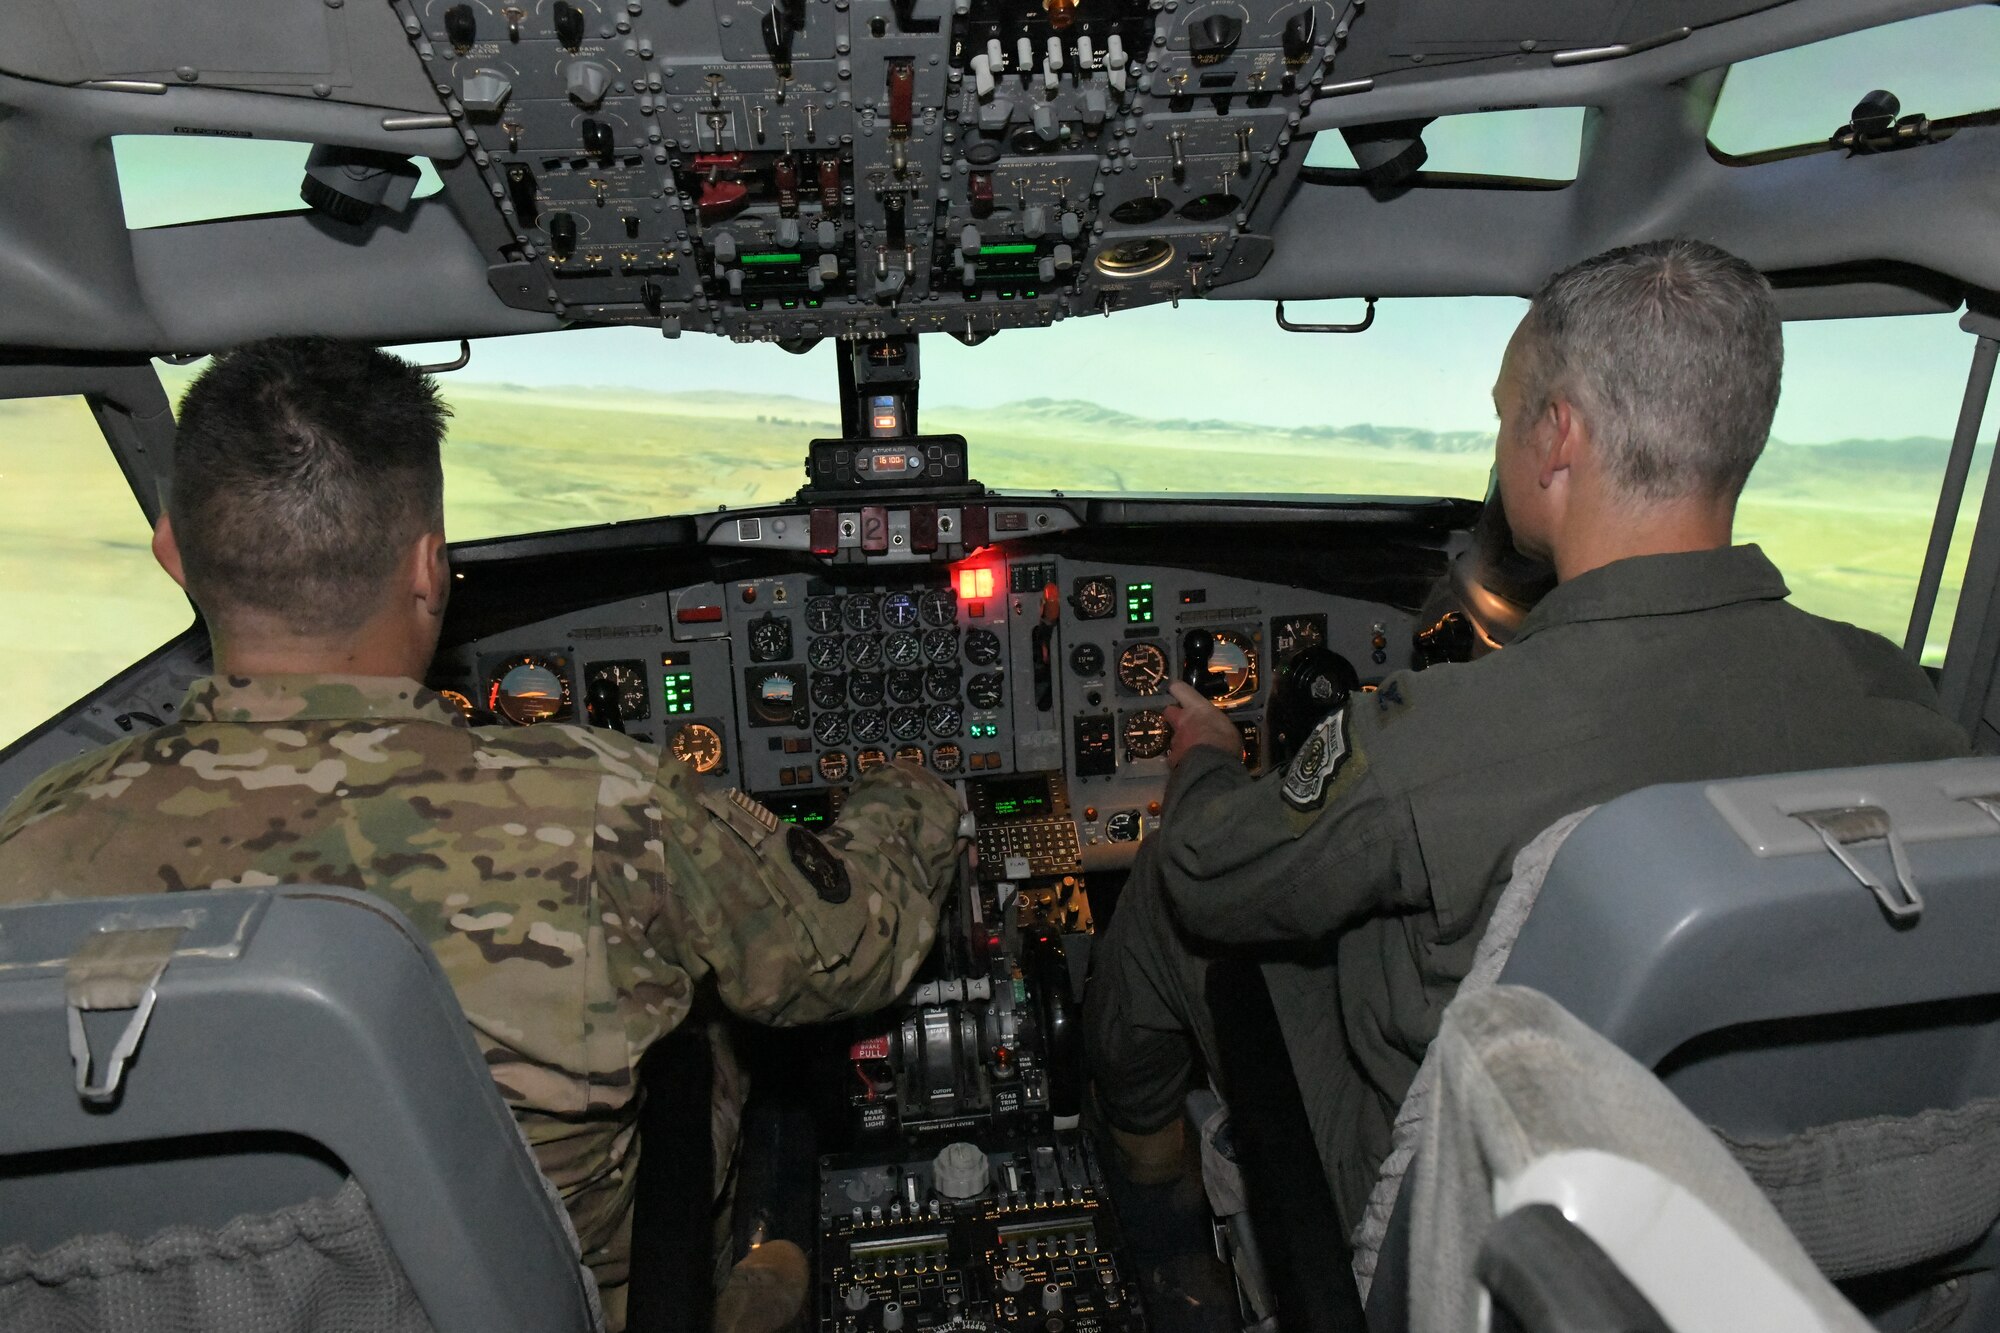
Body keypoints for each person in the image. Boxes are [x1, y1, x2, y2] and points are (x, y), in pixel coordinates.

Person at [0, 338, 965, 1332]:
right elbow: (849, 953)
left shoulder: (27, 847)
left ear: (170, 550)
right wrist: (914, 795)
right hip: (575, 1301)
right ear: (429, 569)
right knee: (718, 1032)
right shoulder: (598, 810)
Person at [1082, 238, 1972, 1236]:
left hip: (1456, 1213)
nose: (1502, 441)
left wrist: (1202, 756)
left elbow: (1216, 872)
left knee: (1169, 880)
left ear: (1554, 438)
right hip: (1767, 1216)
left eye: (1505, 415)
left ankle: (1149, 1179)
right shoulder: (1900, 702)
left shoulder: (1454, 736)